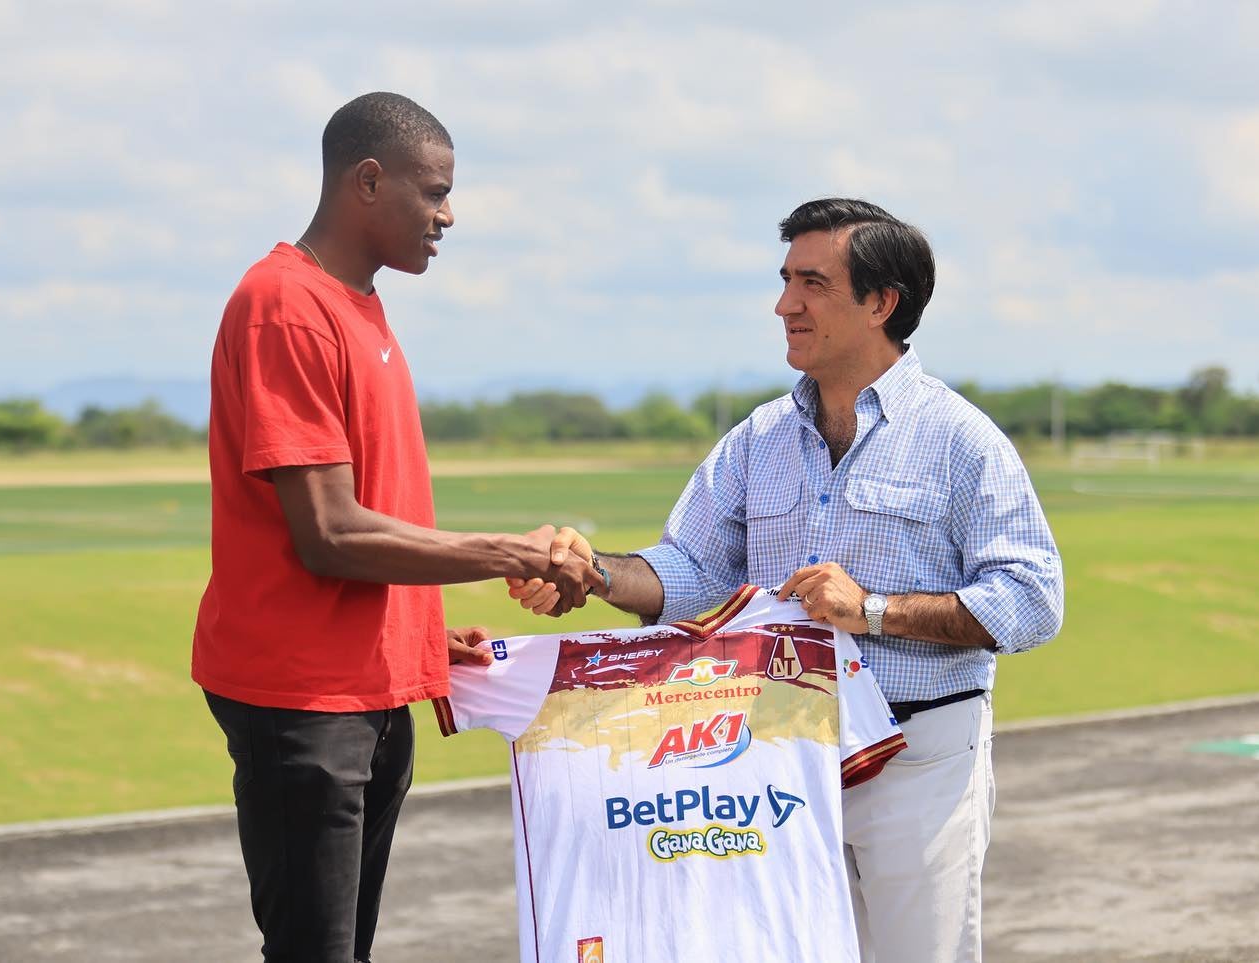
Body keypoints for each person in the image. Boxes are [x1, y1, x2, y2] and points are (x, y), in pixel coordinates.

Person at [510, 197, 1063, 962]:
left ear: (881, 303)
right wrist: (595, 571)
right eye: (785, 279)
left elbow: (1032, 601)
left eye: (812, 282)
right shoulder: (758, 439)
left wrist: (870, 609)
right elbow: (691, 568)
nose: (784, 304)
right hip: (778, 759)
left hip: (922, 758)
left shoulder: (961, 440)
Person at [192, 92, 598, 963]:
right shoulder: (285, 306)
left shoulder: (355, 305)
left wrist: (420, 630)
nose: (448, 216)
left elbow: (363, 515)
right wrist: (505, 552)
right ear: (367, 182)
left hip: (365, 686)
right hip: (304, 699)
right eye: (435, 191)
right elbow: (327, 534)